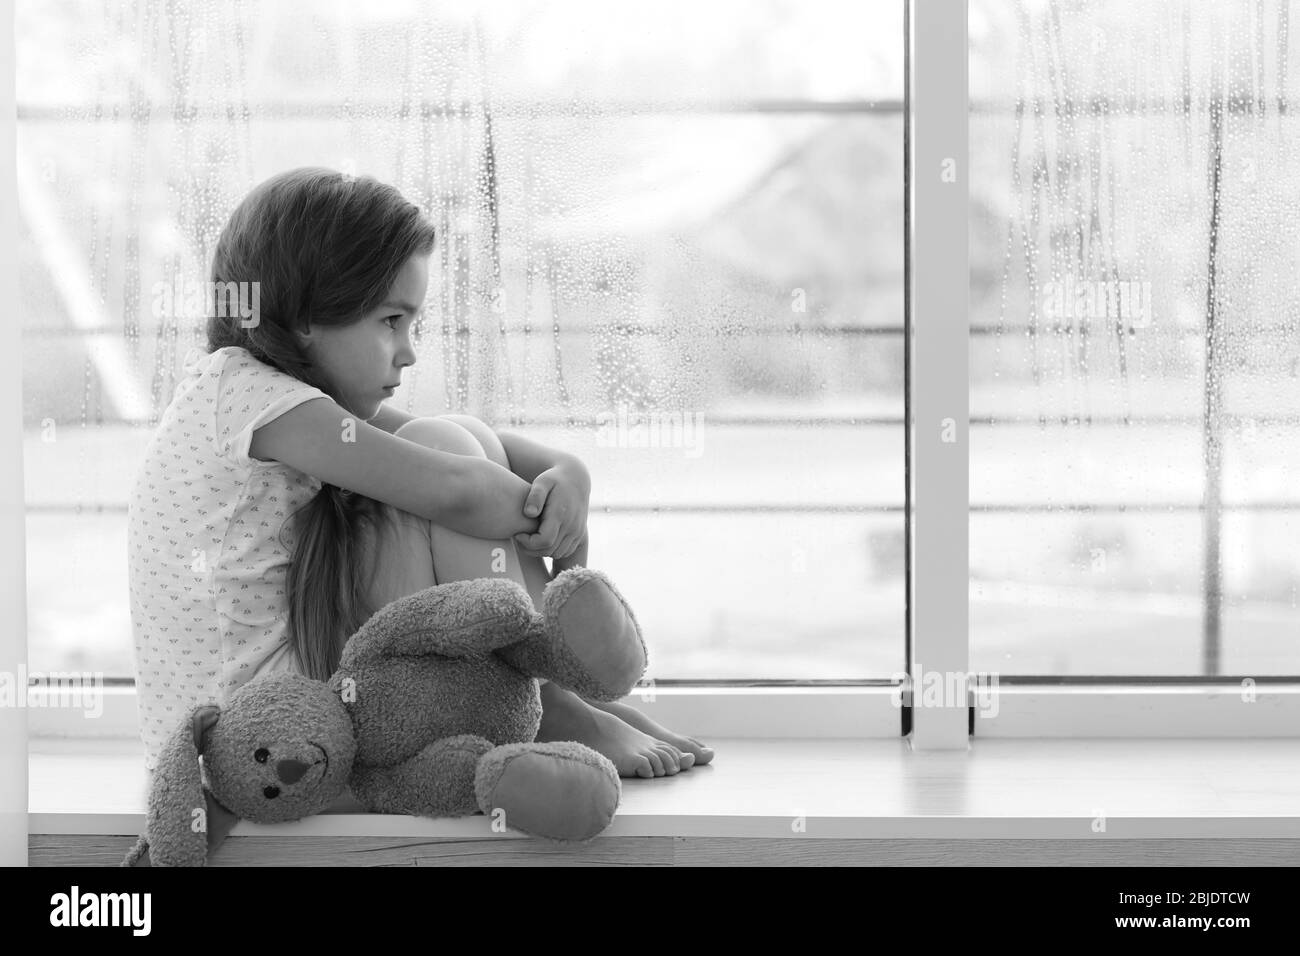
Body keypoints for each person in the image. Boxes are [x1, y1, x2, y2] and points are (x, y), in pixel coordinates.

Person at [126, 167, 712, 824]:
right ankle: (543, 700)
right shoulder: (253, 401)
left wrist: (567, 473)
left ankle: (546, 697)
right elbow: (454, 492)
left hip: (293, 709)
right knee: (449, 453)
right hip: (263, 747)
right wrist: (540, 511)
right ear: (306, 317)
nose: (408, 352)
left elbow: (471, 449)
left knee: (453, 435)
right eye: (391, 321)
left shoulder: (266, 393)